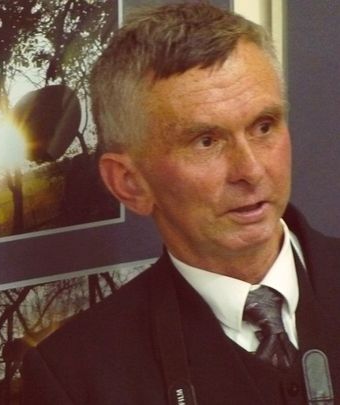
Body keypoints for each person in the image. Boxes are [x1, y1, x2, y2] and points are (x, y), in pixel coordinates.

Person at [21, 3, 340, 404]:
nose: (252, 170)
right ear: (130, 183)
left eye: (264, 126)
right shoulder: (77, 376)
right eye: (206, 141)